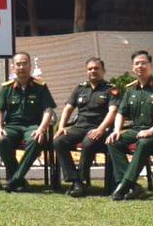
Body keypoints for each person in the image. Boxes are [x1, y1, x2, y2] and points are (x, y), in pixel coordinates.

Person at [106, 50, 153, 201]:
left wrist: (152, 130)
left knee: (144, 143)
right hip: (136, 130)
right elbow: (120, 113)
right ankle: (133, 186)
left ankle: (124, 186)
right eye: (136, 63)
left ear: (151, 66)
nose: (140, 66)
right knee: (113, 142)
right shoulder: (130, 89)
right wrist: (116, 130)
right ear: (133, 68)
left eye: (143, 63)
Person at [51, 57, 119, 197]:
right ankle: (76, 181)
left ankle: (81, 181)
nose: (93, 71)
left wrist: (100, 129)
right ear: (86, 71)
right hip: (80, 127)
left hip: (100, 128)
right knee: (58, 141)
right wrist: (61, 126)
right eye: (90, 69)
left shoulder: (111, 89)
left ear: (103, 71)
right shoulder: (80, 88)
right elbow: (68, 108)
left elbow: (113, 112)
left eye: (96, 68)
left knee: (88, 143)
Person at [0, 52, 56, 193]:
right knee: (1, 139)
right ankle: (20, 179)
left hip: (32, 126)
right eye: (18, 64)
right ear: (13, 67)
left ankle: (15, 179)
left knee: (36, 140)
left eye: (24, 63)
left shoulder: (40, 87)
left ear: (30, 65)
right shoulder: (6, 88)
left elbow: (48, 110)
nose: (21, 67)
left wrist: (41, 129)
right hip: (12, 126)